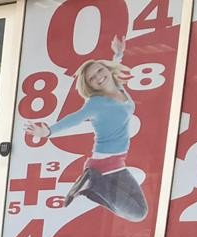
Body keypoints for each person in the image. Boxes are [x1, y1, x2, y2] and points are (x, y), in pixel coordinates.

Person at [25, 36, 148, 222]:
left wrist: (118, 53)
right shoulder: (95, 103)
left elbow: (113, 70)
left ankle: (91, 187)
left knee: (142, 209)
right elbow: (74, 119)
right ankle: (94, 182)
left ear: (107, 69)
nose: (99, 76)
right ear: (90, 85)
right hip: (103, 166)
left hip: (118, 165)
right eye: (92, 78)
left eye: (100, 70)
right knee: (137, 214)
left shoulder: (118, 88)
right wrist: (48, 131)